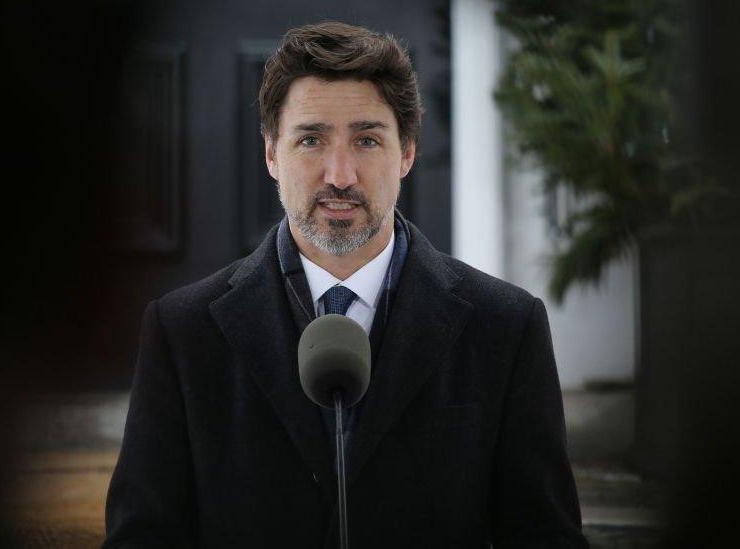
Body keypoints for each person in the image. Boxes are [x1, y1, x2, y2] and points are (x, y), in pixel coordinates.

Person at [104, 21, 587, 549]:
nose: (340, 175)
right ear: (271, 154)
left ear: (406, 153)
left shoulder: (506, 327)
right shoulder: (182, 332)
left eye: (366, 140)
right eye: (311, 139)